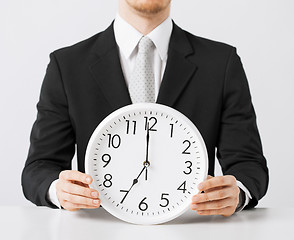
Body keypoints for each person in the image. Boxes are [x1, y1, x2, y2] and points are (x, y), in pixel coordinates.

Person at [22, 0, 269, 217]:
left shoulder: (220, 63)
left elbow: (249, 165)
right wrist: (58, 190)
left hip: (190, 229)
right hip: (98, 231)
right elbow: (39, 167)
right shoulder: (67, 66)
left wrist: (236, 194)